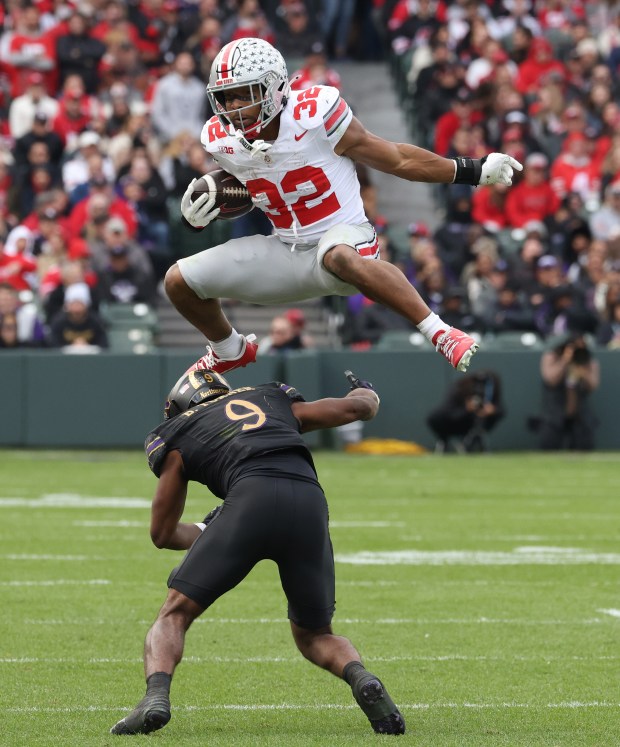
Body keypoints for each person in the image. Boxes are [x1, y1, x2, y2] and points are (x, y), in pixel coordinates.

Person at [165, 38, 523, 377]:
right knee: (179, 281)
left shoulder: (315, 116)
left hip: (345, 239)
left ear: (274, 89)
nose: (233, 108)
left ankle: (440, 332)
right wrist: (203, 212)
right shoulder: (220, 139)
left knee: (337, 255)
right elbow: (255, 190)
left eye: (243, 96)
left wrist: (471, 170)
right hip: (285, 248)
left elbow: (396, 159)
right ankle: (229, 349)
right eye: (226, 99)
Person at [110, 367, 405, 737]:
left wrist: (206, 528)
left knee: (174, 613)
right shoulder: (270, 398)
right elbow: (355, 410)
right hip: (309, 501)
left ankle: (154, 698)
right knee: (314, 634)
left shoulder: (178, 432)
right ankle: (361, 677)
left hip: (249, 500)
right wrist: (367, 392)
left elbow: (162, 534)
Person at [534, 333, 600, 450]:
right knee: (549, 446)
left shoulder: (586, 359)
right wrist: (565, 360)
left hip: (580, 414)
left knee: (585, 445)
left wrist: (582, 371)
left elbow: (593, 386)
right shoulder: (552, 356)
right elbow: (551, 380)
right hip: (554, 414)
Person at [427, 370, 505, 453]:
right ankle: (444, 441)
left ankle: (470, 444)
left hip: (476, 425)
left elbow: (502, 410)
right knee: (436, 417)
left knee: (479, 422)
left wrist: (492, 410)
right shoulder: (459, 390)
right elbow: (449, 414)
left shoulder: (491, 393)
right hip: (455, 423)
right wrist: (467, 410)